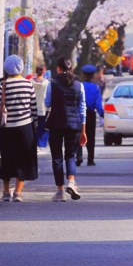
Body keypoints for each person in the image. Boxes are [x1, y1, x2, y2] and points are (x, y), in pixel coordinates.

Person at [0, 54, 39, 202]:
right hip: (25, 127)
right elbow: (33, 107)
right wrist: (35, 124)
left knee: (7, 158)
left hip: (7, 128)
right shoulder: (28, 84)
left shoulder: (3, 85)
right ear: (21, 67)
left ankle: (6, 192)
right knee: (24, 158)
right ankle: (18, 192)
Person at [45, 57, 87, 201]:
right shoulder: (79, 85)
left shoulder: (53, 83)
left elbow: (47, 102)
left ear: (58, 68)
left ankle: (60, 191)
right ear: (71, 68)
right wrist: (83, 130)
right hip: (74, 125)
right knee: (70, 155)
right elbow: (83, 108)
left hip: (56, 124)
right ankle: (71, 181)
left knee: (57, 158)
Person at [76, 64, 105, 166]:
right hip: (91, 114)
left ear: (83, 75)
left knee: (78, 135)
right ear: (93, 75)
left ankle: (78, 157)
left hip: (79, 113)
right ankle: (90, 159)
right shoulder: (96, 87)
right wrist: (101, 114)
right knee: (91, 137)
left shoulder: (78, 86)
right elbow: (98, 103)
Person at [30, 66, 50, 150]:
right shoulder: (47, 83)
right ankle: (41, 144)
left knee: (34, 126)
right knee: (43, 126)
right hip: (43, 108)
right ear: (44, 72)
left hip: (32, 107)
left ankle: (34, 143)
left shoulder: (30, 82)